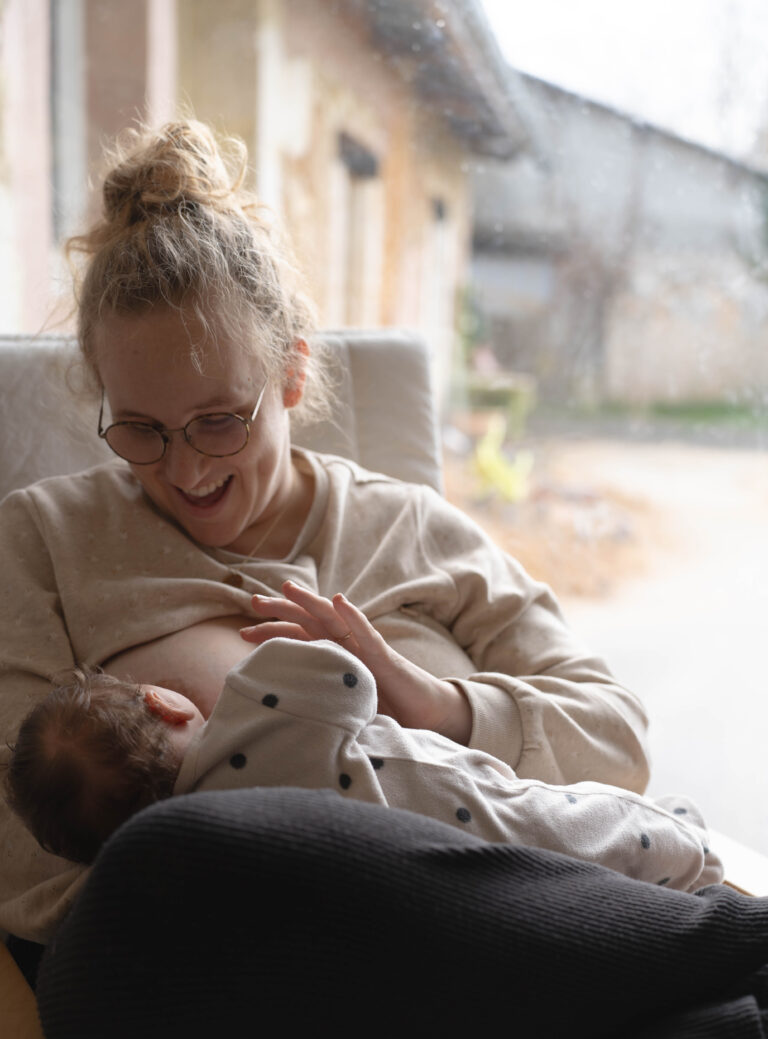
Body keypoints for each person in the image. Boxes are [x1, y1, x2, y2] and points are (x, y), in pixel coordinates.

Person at [0, 118, 651, 945]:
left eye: (219, 421)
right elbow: (19, 846)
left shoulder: (408, 529)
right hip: (212, 961)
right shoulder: (44, 539)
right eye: (140, 430)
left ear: (294, 374)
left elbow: (615, 738)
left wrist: (420, 697)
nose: (187, 469)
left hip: (504, 923)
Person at [6, 585, 722, 892]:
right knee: (584, 823)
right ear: (164, 703)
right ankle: (691, 848)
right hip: (465, 802)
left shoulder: (201, 853)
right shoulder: (259, 706)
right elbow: (347, 680)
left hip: (443, 871)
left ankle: (679, 858)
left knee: (579, 853)